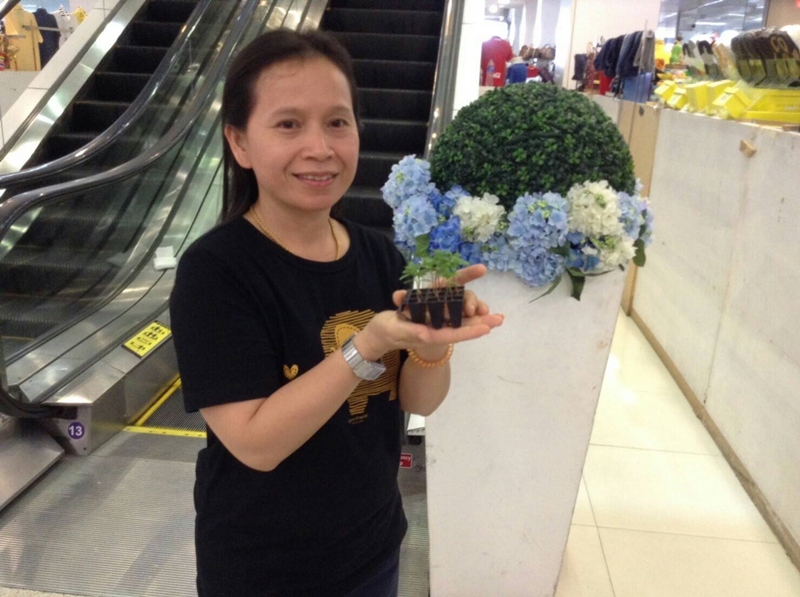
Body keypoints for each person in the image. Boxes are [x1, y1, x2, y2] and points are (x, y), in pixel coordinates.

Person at [169, 29, 504, 597]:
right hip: (263, 571)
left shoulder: (379, 253)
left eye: (337, 122)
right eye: (288, 124)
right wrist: (367, 345)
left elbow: (420, 401)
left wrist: (432, 340)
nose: (320, 147)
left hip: (372, 549)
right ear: (240, 142)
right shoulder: (216, 271)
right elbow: (255, 444)